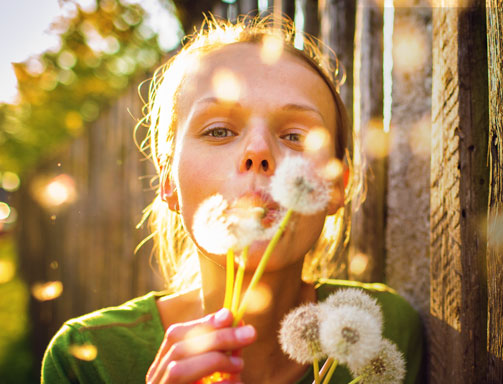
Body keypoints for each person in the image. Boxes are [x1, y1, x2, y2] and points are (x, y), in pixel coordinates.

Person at [42, 15, 423, 384]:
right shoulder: (89, 360)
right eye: (219, 130)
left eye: (295, 137)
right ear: (168, 181)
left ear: (338, 186)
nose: (258, 152)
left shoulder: (386, 332)